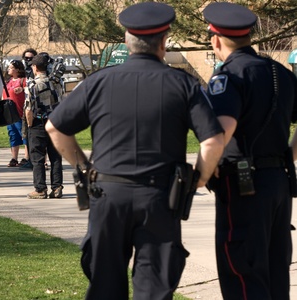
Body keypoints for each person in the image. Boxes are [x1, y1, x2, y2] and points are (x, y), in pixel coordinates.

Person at [46, 2, 225, 299]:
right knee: (154, 288)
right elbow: (213, 141)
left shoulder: (99, 81)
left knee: (105, 285)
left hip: (107, 196)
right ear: (164, 42)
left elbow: (55, 128)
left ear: (127, 41)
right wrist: (201, 178)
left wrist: (83, 165)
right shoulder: (183, 84)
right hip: (160, 197)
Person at [202, 3, 297, 299]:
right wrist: (288, 154)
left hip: (243, 186)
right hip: (279, 180)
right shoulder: (281, 72)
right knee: (274, 272)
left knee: (242, 271)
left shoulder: (228, 77)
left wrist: (202, 173)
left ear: (215, 39)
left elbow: (222, 130)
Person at [25, 54, 63, 199]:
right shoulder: (57, 81)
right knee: (55, 157)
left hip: (39, 123)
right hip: (56, 122)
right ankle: (57, 187)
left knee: (38, 158)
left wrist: (30, 125)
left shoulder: (33, 85)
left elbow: (29, 109)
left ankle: (40, 189)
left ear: (35, 67)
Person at [4, 59, 29, 167]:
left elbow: (29, 92)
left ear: (18, 70)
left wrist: (23, 90)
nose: (9, 69)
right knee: (13, 135)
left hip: (20, 113)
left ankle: (27, 157)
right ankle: (14, 158)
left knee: (24, 135)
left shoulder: (23, 81)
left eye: (11, 68)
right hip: (9, 115)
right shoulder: (8, 82)